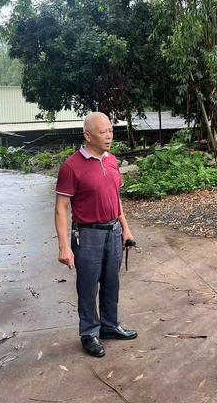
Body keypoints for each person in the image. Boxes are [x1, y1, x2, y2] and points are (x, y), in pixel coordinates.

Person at [55, 112, 137, 358]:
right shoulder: (71, 167)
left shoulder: (112, 161)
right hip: (87, 235)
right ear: (87, 135)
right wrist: (64, 247)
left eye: (110, 130)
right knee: (88, 286)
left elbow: (116, 198)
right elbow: (61, 208)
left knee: (112, 282)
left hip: (112, 232)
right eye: (103, 132)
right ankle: (89, 333)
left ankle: (110, 326)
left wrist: (125, 228)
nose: (109, 135)